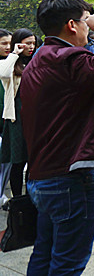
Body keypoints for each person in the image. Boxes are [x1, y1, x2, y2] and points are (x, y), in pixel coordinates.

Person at [20, 0, 94, 274]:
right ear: (71, 25)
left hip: (42, 176)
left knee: (44, 255)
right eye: (85, 22)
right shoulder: (68, 58)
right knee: (68, 265)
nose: (87, 29)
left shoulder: (40, 59)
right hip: (70, 178)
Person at [0, 28, 36, 200]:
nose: (31, 47)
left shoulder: (35, 62)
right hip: (17, 119)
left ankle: (30, 197)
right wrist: (15, 53)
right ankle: (17, 200)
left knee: (33, 161)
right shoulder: (9, 63)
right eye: (27, 43)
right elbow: (4, 73)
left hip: (34, 118)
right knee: (17, 161)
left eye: (33, 43)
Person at [0, 29, 12, 207]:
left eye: (10, 43)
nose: (8, 47)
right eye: (4, 43)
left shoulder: (14, 63)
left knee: (7, 160)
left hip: (7, 119)